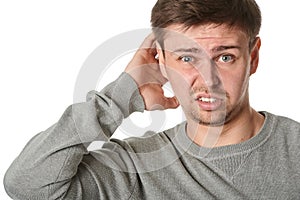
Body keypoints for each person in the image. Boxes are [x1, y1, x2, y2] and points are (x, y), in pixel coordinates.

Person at [4, 0, 300, 199]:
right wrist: (121, 95)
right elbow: (27, 184)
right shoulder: (137, 168)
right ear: (160, 59)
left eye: (225, 57)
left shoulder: (295, 148)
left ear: (253, 56)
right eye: (187, 57)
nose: (208, 79)